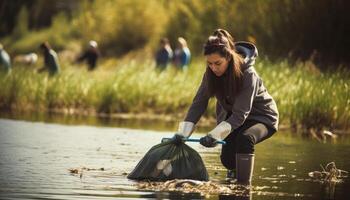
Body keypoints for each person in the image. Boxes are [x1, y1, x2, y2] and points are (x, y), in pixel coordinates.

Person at [173, 29, 279, 186]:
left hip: (261, 118)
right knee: (228, 160)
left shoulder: (248, 74)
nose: (213, 68)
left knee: (245, 139)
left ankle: (244, 186)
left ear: (229, 58)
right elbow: (198, 103)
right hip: (233, 119)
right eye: (209, 63)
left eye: (218, 63)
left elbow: (240, 115)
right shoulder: (210, 74)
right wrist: (183, 133)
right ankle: (234, 174)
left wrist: (214, 135)